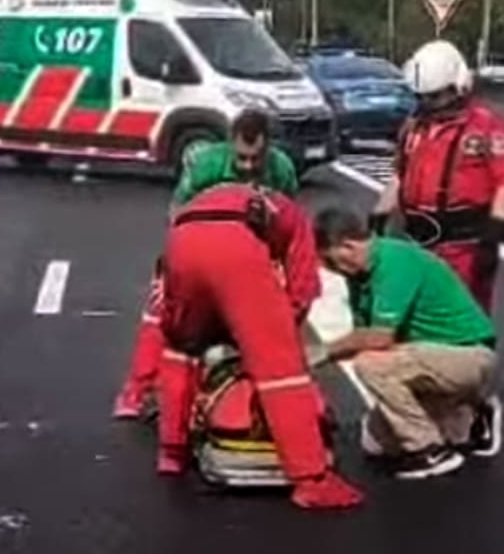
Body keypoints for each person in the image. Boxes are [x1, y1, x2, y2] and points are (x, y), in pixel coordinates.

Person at [156, 183, 361, 510]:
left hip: (181, 240)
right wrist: (276, 331)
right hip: (235, 244)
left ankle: (172, 450)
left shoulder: (222, 193)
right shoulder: (295, 220)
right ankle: (311, 480)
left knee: (181, 346)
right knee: (281, 369)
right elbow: (302, 290)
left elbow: (171, 320)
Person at [114, 109, 298, 418]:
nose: (248, 166)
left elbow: (288, 220)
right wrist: (172, 265)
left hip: (248, 254)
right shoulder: (207, 164)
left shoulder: (281, 168)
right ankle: (136, 391)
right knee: (161, 314)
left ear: (268, 148)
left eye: (256, 159)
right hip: (198, 247)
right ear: (230, 145)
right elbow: (177, 213)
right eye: (242, 158)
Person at [314, 206, 499, 478]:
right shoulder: (359, 276)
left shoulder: (394, 262)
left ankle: (430, 450)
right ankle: (467, 413)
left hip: (466, 354)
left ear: (348, 246)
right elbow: (361, 336)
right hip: (426, 356)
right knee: (377, 444)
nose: (332, 270)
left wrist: (320, 354)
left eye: (331, 261)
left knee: (372, 365)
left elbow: (378, 337)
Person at [370, 40, 504, 313]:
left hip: (464, 246)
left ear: (458, 86)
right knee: (419, 315)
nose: (427, 104)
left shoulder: (484, 127)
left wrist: (494, 234)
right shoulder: (413, 128)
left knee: (462, 315)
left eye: (434, 97)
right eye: (421, 98)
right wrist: (378, 216)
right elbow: (400, 175)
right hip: (416, 242)